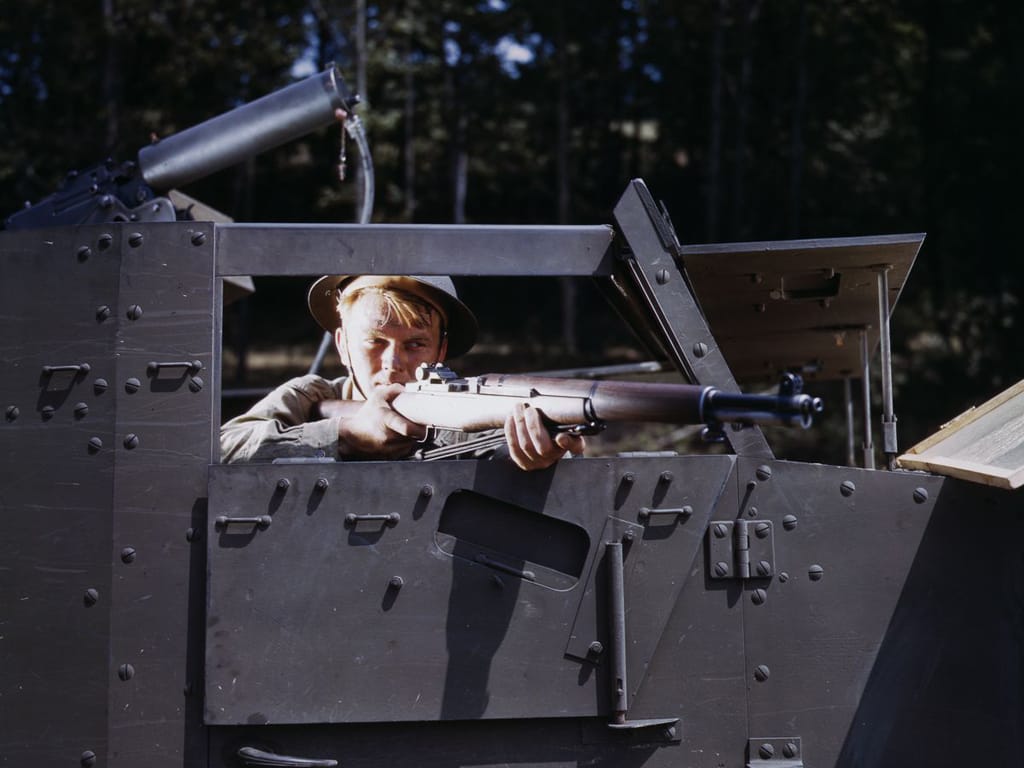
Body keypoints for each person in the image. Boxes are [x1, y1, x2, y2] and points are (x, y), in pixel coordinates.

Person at [220, 274, 585, 469]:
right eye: (375, 342)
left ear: (440, 350)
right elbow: (220, 451)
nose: (393, 364)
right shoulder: (314, 396)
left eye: (415, 345)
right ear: (343, 344)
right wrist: (345, 435)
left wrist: (546, 455)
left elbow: (509, 454)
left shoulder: (463, 412)